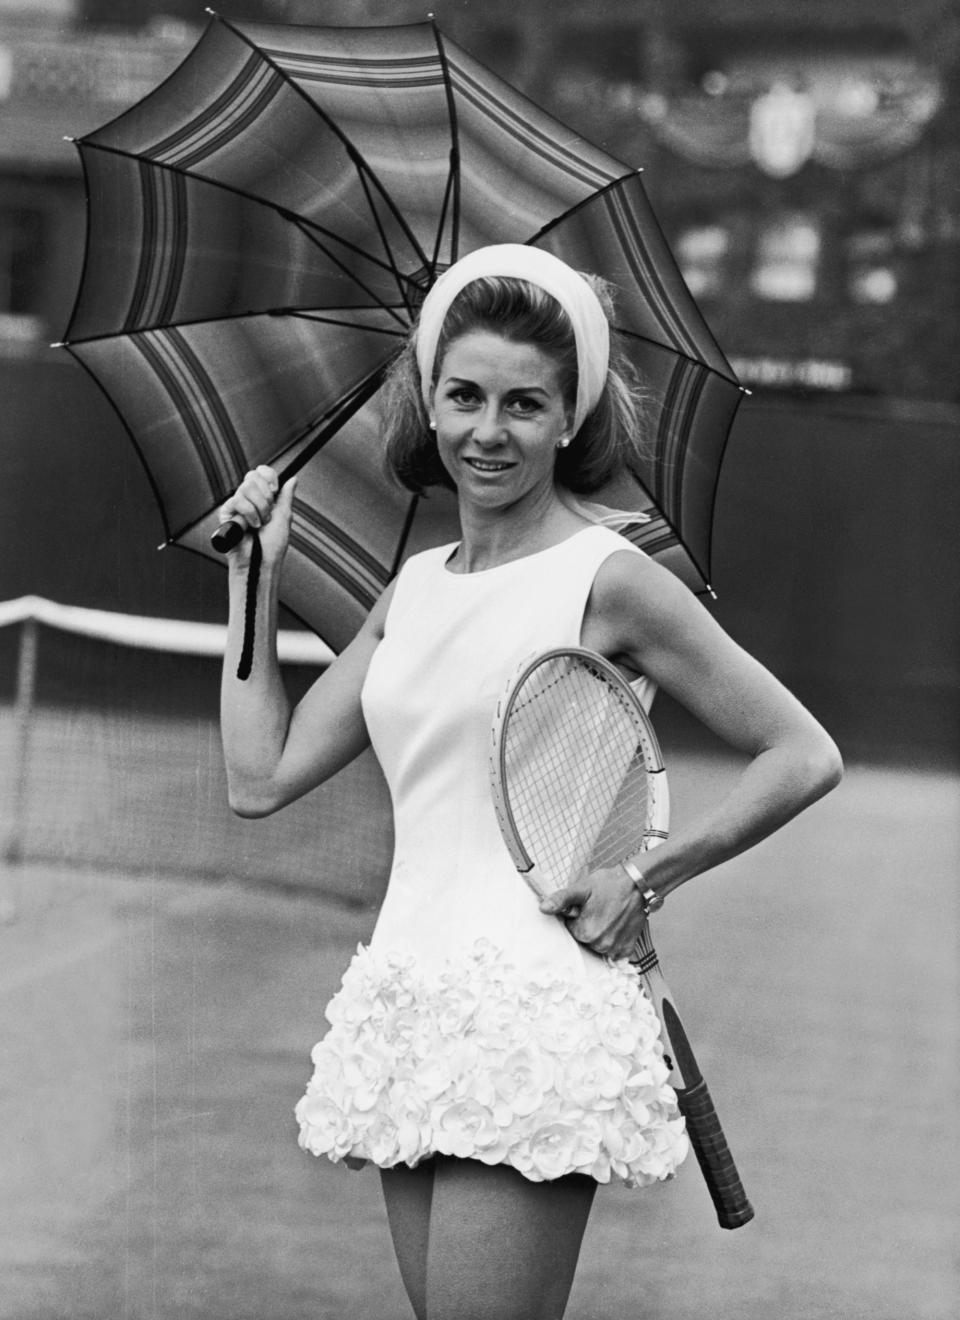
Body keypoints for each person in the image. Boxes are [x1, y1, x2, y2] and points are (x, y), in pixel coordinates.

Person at [218, 244, 842, 1320]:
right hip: (408, 999)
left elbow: (803, 752)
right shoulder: (411, 588)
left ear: (571, 420)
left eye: (524, 404)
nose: (487, 431)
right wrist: (252, 577)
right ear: (430, 402)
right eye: (463, 396)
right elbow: (259, 777)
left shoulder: (612, 578)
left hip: (533, 1012)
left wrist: (645, 877)